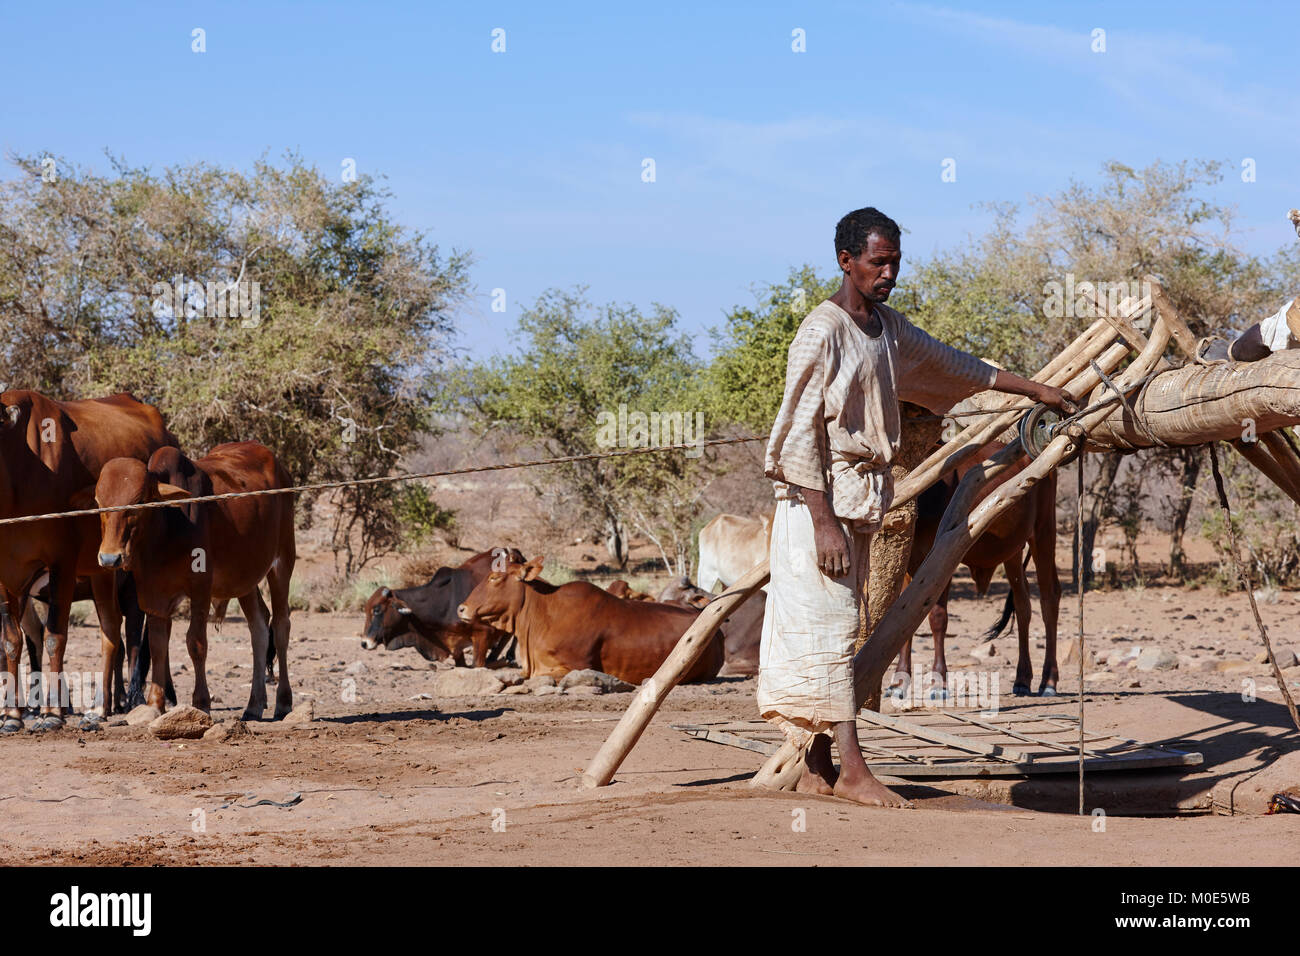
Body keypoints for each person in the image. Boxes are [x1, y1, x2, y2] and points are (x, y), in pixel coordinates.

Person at [758, 206, 1077, 807]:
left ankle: (819, 766)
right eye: (878, 262)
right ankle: (853, 770)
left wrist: (1034, 389)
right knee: (829, 632)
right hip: (817, 508)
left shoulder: (888, 330)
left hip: (859, 503)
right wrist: (822, 522)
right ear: (845, 261)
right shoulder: (821, 332)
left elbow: (954, 365)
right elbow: (797, 434)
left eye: (895, 263)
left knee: (845, 629)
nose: (888, 274)